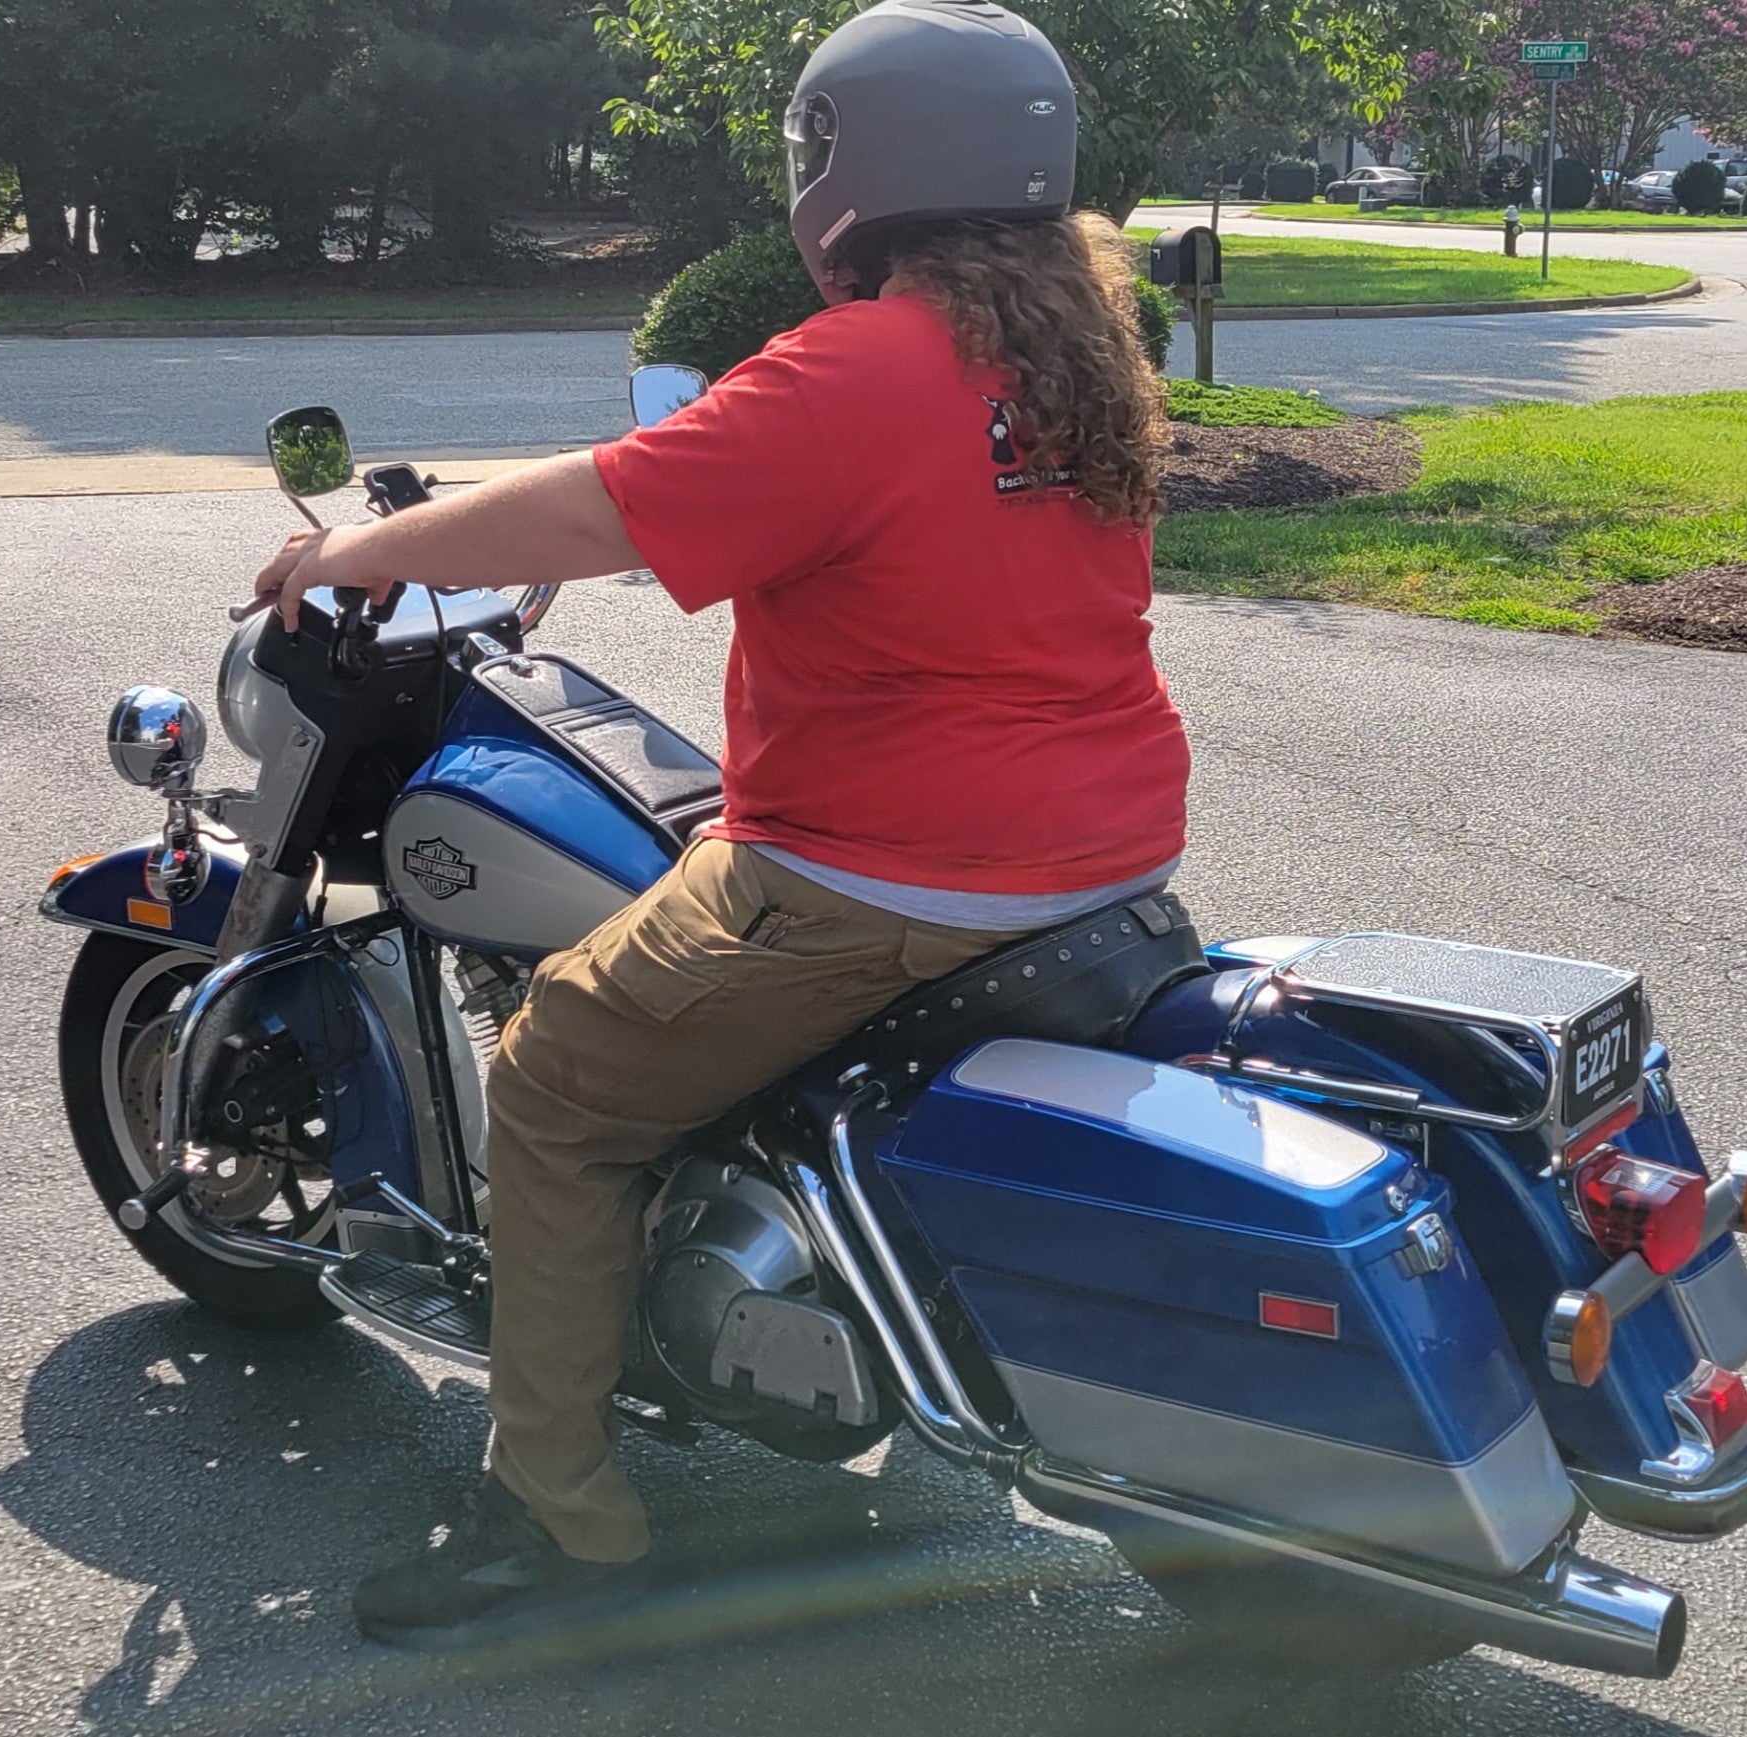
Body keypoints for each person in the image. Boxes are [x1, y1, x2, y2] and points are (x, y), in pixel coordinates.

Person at [242, 0, 1191, 1646]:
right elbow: (726, 482)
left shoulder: (856, 365)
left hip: (886, 874)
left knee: (549, 1083)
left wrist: (356, 557)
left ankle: (559, 1518)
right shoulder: (1077, 353)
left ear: (843, 168)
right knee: (687, 892)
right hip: (1110, 855)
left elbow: (616, 500)